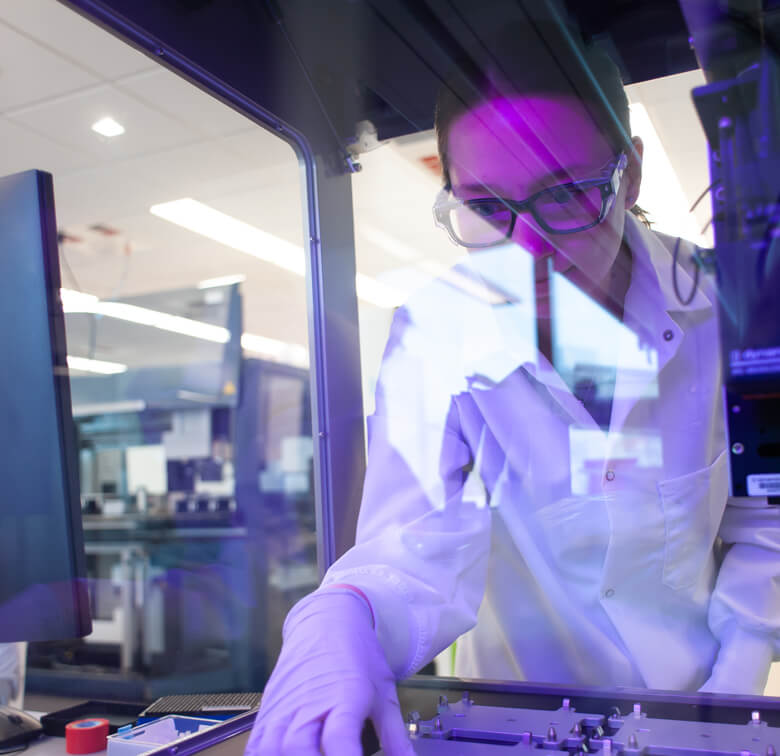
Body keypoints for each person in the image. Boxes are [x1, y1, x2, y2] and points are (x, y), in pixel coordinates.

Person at [246, 19, 780, 756]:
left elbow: (765, 515)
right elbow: (415, 541)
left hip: (697, 713)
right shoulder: (435, 331)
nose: (528, 254)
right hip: (513, 723)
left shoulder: (731, 305)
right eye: (489, 209)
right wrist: (342, 612)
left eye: (564, 196)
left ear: (628, 173)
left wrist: (731, 692)